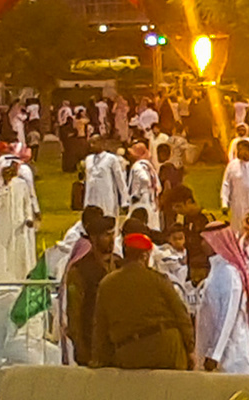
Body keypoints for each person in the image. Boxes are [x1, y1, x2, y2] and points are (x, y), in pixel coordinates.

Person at [92, 232, 195, 368]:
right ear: (145, 256)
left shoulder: (107, 284)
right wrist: (190, 349)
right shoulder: (157, 280)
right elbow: (181, 316)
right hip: (166, 349)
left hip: (129, 354)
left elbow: (100, 327)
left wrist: (99, 359)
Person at [198, 221, 249, 374]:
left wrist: (215, 355)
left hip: (234, 358)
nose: (202, 244)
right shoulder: (216, 270)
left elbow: (228, 316)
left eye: (206, 240)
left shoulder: (228, 273)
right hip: (218, 355)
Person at [65, 212, 118, 365]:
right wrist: (83, 352)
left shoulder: (120, 265)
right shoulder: (80, 270)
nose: (111, 240)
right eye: (106, 235)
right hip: (92, 346)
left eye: (113, 234)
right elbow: (74, 314)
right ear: (94, 238)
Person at [0, 153, 41, 276]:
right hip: (3, 222)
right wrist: (5, 188)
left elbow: (26, 203)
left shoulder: (21, 184)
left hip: (20, 222)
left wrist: (29, 217)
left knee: (19, 251)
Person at [84, 146, 127, 218]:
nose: (91, 145)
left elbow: (120, 179)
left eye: (95, 143)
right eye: (90, 143)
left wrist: (124, 200)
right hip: (91, 197)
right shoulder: (89, 159)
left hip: (106, 196)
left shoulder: (111, 159)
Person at [126, 142, 161, 230]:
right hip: (152, 197)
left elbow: (144, 179)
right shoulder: (149, 165)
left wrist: (137, 193)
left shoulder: (138, 166)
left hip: (142, 199)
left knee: (137, 224)